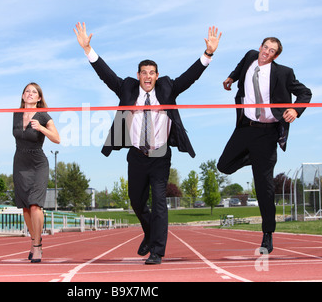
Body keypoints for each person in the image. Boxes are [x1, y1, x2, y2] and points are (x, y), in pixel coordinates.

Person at [74, 22, 221, 264]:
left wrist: (208, 54)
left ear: (157, 76)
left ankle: (157, 251)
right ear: (138, 75)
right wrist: (88, 49)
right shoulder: (127, 88)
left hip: (160, 155)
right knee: (136, 201)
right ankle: (149, 232)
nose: (148, 76)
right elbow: (106, 74)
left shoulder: (167, 87)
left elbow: (190, 77)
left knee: (159, 202)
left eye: (152, 72)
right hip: (136, 155)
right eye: (144, 72)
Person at [217, 37, 312, 254]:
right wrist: (231, 78)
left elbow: (305, 93)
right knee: (224, 165)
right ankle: (253, 158)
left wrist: (296, 110)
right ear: (260, 47)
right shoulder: (251, 56)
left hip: (268, 133)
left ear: (276, 56)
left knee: (264, 188)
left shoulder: (284, 73)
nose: (266, 52)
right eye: (265, 47)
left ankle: (267, 234)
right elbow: (241, 67)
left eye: (271, 51)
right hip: (245, 127)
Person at [13, 82, 60, 263]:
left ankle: (38, 246)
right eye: (27, 91)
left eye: (34, 92)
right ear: (23, 96)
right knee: (25, 206)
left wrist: (41, 128)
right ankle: (33, 241)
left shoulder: (43, 115)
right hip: (19, 162)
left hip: (38, 163)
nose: (30, 94)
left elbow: (57, 139)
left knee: (34, 205)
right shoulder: (15, 114)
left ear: (39, 98)